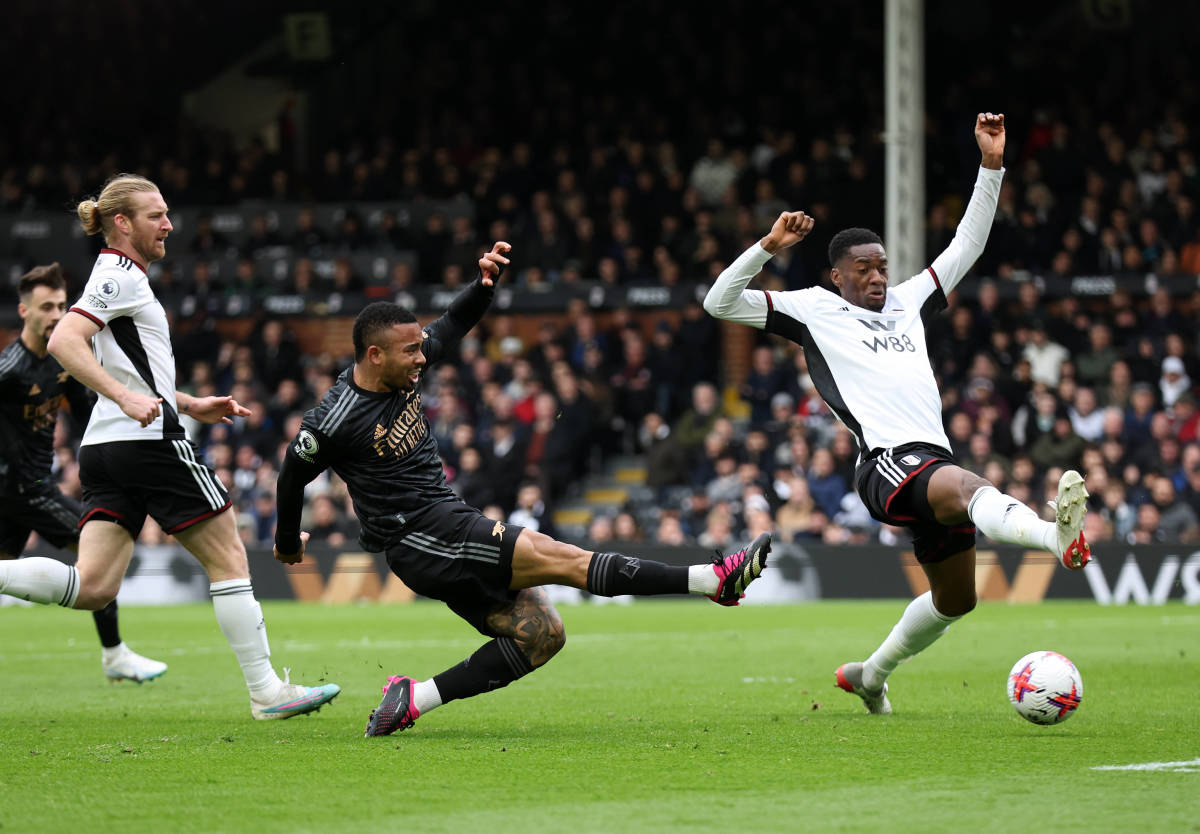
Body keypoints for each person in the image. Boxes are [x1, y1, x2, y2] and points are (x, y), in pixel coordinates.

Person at [272, 241, 771, 737]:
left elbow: (449, 325)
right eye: (411, 351)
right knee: (559, 556)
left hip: (444, 521)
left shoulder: (403, 368)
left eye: (420, 347)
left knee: (544, 635)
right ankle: (712, 580)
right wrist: (289, 540)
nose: (422, 357)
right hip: (418, 537)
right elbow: (292, 474)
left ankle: (414, 698)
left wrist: (484, 286)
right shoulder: (334, 419)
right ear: (374, 355)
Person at [702, 114, 1091, 715]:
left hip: (930, 465)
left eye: (882, 265)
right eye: (865, 268)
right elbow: (718, 301)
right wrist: (768, 248)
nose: (879, 276)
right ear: (837, 276)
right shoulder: (812, 310)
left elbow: (969, 245)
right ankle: (1051, 536)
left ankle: (871, 674)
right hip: (885, 465)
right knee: (967, 486)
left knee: (956, 601)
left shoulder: (910, 301)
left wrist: (992, 166)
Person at [0, 174, 339, 720]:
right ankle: (267, 691)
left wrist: (187, 403)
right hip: (145, 442)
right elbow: (65, 340)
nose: (168, 224)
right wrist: (126, 399)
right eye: (156, 215)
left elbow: (128, 369)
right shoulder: (119, 275)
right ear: (122, 223)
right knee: (230, 556)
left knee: (93, 585)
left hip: (106, 448)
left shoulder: (116, 277)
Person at [0, 263, 167, 682]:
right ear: (24, 312)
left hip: (27, 489)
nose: (56, 314)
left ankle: (115, 655)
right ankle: (114, 655)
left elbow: (89, 416)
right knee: (99, 554)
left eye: (61, 305)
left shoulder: (63, 362)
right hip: (23, 489)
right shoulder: (8, 370)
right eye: (46, 307)